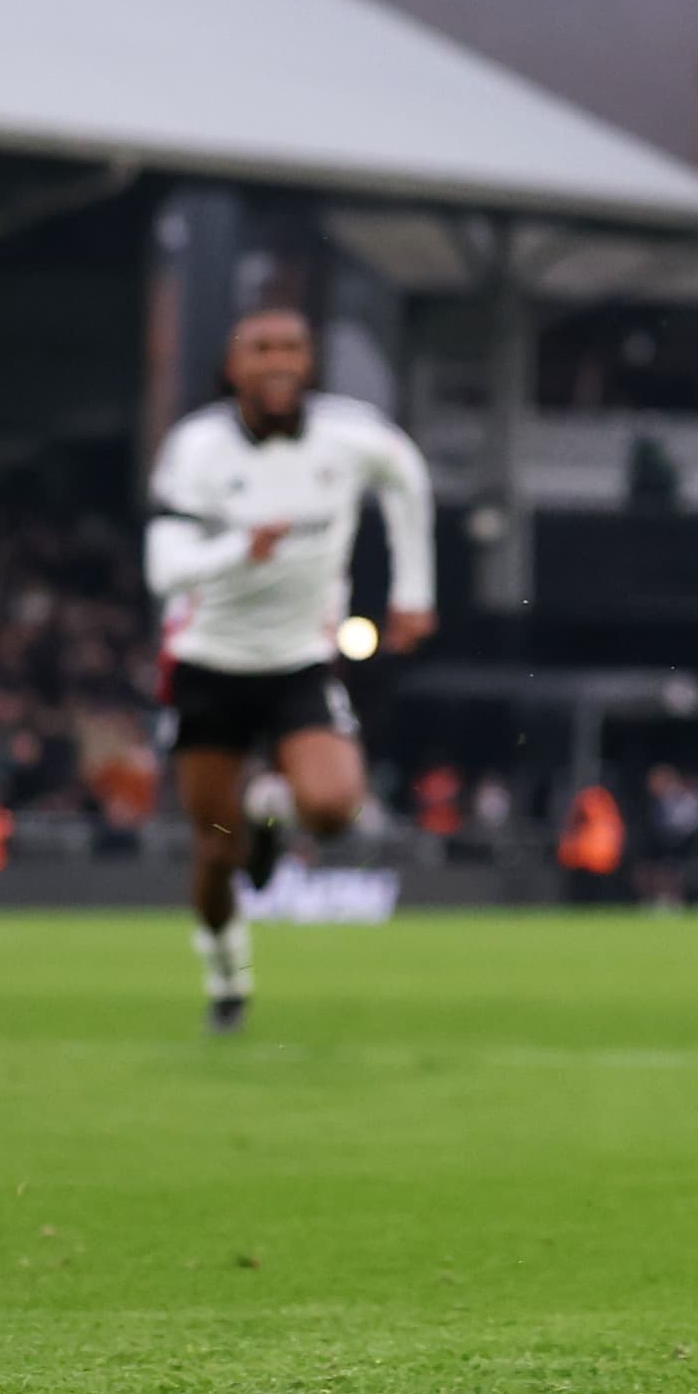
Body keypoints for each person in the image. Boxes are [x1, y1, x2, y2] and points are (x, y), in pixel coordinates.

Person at [143, 310, 434, 1029]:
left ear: (310, 363)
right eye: (261, 348)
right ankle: (228, 977)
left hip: (298, 659)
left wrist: (412, 591)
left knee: (335, 808)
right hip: (207, 663)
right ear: (232, 366)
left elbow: (407, 477)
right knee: (216, 852)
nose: (278, 360)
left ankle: (273, 805)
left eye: (292, 348)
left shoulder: (349, 436)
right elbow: (165, 567)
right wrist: (241, 549)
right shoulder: (198, 448)